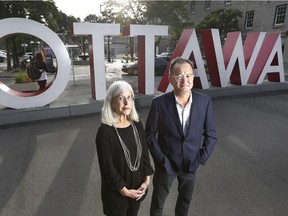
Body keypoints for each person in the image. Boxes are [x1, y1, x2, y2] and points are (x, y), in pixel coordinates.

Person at [145, 57, 217, 216]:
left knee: (184, 203)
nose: (185, 80)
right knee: (158, 203)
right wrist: (161, 160)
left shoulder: (204, 102)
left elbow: (211, 136)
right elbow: (149, 135)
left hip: (191, 164)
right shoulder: (159, 103)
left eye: (189, 75)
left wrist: (200, 158)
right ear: (170, 79)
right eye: (179, 77)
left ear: (193, 76)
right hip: (166, 165)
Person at [95, 80, 154, 216]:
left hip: (138, 189)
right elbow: (107, 168)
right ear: (111, 102)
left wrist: (146, 181)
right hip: (116, 193)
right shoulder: (105, 132)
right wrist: (125, 191)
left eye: (129, 97)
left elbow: (144, 155)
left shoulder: (137, 125)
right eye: (121, 98)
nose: (127, 103)